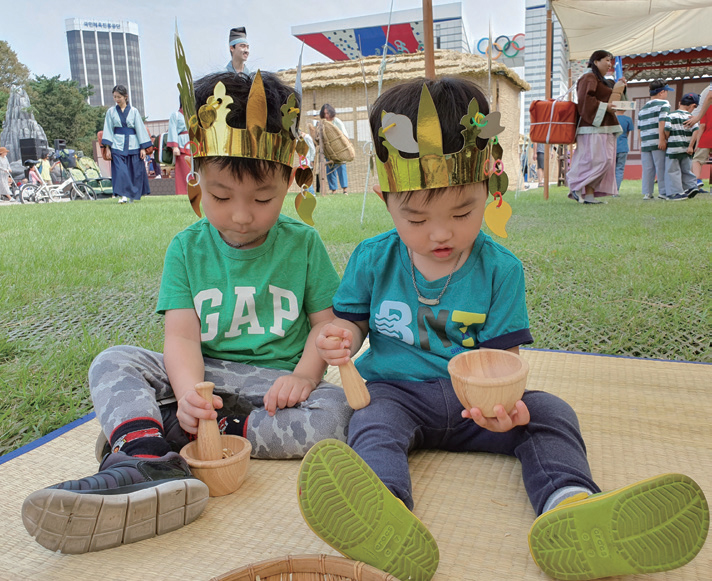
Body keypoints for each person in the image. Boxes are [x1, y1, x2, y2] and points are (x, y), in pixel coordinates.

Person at [296, 76, 710, 581]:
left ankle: (569, 504)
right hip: (395, 392)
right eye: (416, 219)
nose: (441, 233)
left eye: (462, 211)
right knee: (370, 424)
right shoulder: (372, 258)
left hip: (478, 404)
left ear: (488, 188)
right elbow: (353, 322)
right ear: (387, 199)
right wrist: (339, 336)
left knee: (549, 413)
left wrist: (505, 406)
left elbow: (504, 359)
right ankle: (384, 513)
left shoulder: (500, 270)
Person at [22, 70, 351, 554]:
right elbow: (180, 338)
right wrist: (188, 393)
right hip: (202, 377)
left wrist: (305, 374)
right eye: (220, 196)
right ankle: (146, 455)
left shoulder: (303, 245)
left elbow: (325, 325)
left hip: (272, 389)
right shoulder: (186, 249)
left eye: (263, 199)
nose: (241, 215)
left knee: (337, 415)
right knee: (114, 361)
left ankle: (168, 432)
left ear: (290, 179)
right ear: (197, 176)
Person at [566, 50, 624, 204]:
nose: (610, 64)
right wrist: (605, 107)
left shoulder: (599, 79)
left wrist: (618, 88)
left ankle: (589, 195)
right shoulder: (588, 77)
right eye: (607, 60)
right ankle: (576, 184)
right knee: (595, 160)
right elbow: (585, 100)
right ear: (596, 61)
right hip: (591, 125)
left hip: (602, 126)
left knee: (603, 160)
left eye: (611, 61)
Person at [101, 84, 152, 204]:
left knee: (134, 171)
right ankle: (123, 195)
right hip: (117, 145)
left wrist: (143, 148)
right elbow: (108, 128)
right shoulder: (111, 112)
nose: (117, 99)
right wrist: (107, 148)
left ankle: (132, 196)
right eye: (114, 97)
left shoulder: (134, 111)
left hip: (133, 144)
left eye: (119, 97)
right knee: (120, 171)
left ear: (125, 97)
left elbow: (140, 129)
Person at [638, 79, 673, 200]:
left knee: (647, 169)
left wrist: (641, 143)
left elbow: (639, 127)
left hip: (645, 142)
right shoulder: (664, 104)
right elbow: (662, 121)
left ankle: (647, 193)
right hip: (657, 141)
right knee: (661, 167)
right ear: (661, 92)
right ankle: (663, 192)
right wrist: (662, 139)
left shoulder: (643, 109)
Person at [663, 92, 700, 201]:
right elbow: (696, 131)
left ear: (680, 103)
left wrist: (666, 137)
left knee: (673, 170)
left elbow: (667, 131)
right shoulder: (692, 118)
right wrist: (691, 146)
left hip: (673, 149)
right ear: (693, 106)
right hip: (686, 149)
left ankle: (677, 192)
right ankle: (692, 186)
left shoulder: (671, 116)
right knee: (686, 169)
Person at [319, 104, 349, 195]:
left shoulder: (337, 121)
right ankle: (333, 190)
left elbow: (345, 135)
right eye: (324, 114)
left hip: (339, 149)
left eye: (327, 113)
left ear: (331, 113)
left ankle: (345, 189)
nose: (326, 116)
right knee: (330, 168)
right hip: (329, 150)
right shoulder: (322, 123)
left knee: (341, 168)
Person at [167, 105, 191, 195]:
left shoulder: (195, 113)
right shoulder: (176, 115)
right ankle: (184, 192)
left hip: (195, 144)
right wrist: (175, 146)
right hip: (182, 146)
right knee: (183, 171)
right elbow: (172, 130)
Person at [615, 111, 634, 192]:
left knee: (610, 169)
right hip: (623, 146)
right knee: (619, 169)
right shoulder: (628, 119)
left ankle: (608, 189)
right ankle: (616, 190)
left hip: (612, 147)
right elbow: (627, 134)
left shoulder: (612, 118)